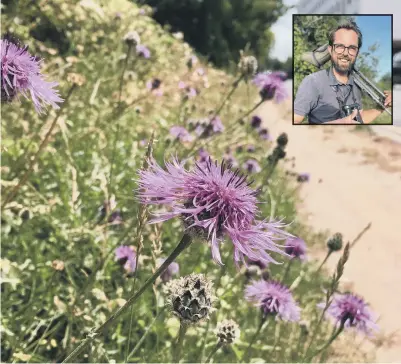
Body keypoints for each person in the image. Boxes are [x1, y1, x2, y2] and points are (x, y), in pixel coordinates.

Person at [294, 21, 392, 124]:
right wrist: (341, 123)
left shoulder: (356, 84)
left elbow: (358, 119)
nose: (345, 53)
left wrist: (383, 105)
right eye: (340, 46)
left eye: (352, 48)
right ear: (330, 50)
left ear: (357, 53)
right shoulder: (313, 82)